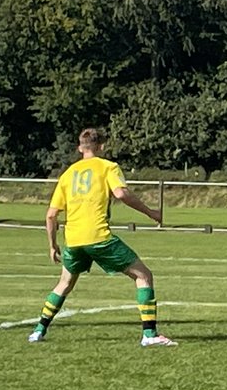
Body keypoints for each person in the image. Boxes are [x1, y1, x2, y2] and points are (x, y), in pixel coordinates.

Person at [27, 128, 176, 347]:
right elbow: (121, 194)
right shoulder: (108, 167)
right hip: (99, 236)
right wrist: (151, 213)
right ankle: (150, 334)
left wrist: (52, 245)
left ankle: (38, 330)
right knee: (143, 276)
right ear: (102, 146)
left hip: (74, 239)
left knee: (64, 283)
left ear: (80, 148)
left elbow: (50, 215)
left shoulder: (67, 174)